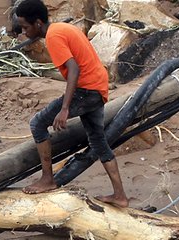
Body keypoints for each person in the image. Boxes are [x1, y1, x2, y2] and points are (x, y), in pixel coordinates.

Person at [14, 0, 130, 207]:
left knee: (38, 124)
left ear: (38, 23)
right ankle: (120, 195)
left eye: (25, 27)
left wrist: (65, 108)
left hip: (87, 90)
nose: (23, 31)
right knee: (98, 140)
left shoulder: (53, 36)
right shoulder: (62, 28)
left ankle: (48, 179)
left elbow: (73, 69)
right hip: (98, 86)